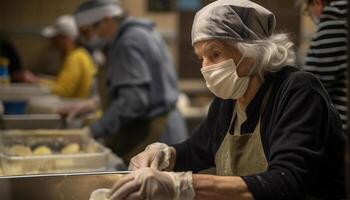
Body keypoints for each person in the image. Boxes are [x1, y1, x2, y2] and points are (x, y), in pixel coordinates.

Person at [108, 0, 346, 199]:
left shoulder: (298, 92)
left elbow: (285, 181)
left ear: (252, 51)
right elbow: (197, 150)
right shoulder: (229, 100)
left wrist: (182, 186)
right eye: (201, 57)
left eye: (215, 54)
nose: (206, 67)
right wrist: (165, 155)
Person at [71, 0, 188, 161]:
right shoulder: (142, 33)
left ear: (106, 20)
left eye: (87, 32)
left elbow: (134, 101)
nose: (86, 39)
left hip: (156, 133)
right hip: (169, 127)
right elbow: (141, 86)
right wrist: (94, 103)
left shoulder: (127, 43)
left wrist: (94, 130)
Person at [22, 15, 96, 99]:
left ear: (65, 38)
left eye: (55, 38)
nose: (52, 42)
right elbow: (61, 84)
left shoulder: (74, 59)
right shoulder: (79, 54)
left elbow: (63, 91)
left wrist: (34, 81)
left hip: (78, 109)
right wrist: (38, 80)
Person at [303, 0, 348, 132]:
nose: (312, 17)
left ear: (317, 3)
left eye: (308, 11)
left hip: (340, 129)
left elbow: (316, 89)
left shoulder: (332, 28)